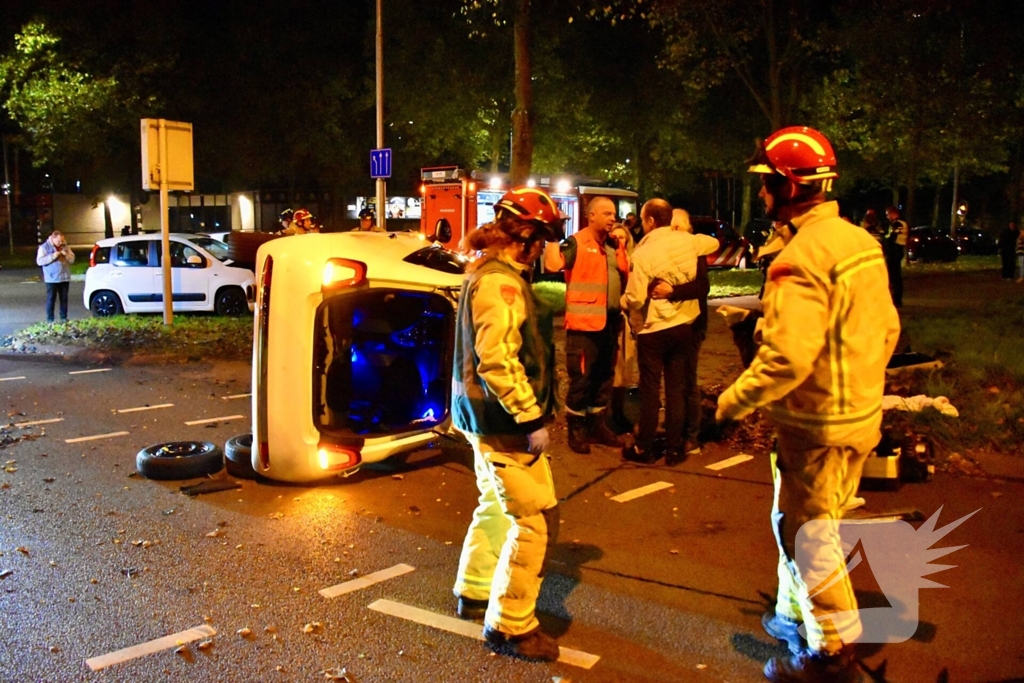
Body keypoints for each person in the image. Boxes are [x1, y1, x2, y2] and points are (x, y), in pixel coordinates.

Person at [716, 126, 900, 682]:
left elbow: (786, 361)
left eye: (767, 184)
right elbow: (887, 328)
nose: (763, 195)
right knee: (818, 525)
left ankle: (829, 654)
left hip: (815, 426)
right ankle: (799, 616)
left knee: (807, 535)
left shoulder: (799, 258)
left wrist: (726, 405)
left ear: (786, 186)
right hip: (859, 418)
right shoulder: (860, 245)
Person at [450, 186, 563, 662]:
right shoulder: (502, 284)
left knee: (494, 507)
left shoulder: (486, 274)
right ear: (528, 238)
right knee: (535, 521)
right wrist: (530, 416)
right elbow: (497, 360)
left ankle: (474, 591)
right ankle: (510, 626)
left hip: (481, 417)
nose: (545, 251)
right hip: (503, 422)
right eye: (544, 240)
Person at [623, 199, 718, 465]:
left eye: (643, 220)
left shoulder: (642, 253)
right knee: (676, 389)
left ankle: (645, 447)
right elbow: (714, 244)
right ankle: (675, 449)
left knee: (651, 389)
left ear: (651, 221)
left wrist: (626, 303)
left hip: (654, 328)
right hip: (684, 325)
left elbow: (635, 296)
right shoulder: (689, 242)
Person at [543, 196, 629, 453]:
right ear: (591, 216)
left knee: (604, 379)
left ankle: (597, 426)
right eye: (606, 213)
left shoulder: (613, 245)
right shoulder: (576, 243)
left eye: (613, 213)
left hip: (610, 324)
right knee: (581, 380)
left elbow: (623, 275)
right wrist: (551, 235)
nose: (612, 218)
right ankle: (577, 430)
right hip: (584, 327)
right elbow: (551, 264)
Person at [608, 222, 638, 434]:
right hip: (613, 316)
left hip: (629, 317)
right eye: (615, 237)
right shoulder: (609, 260)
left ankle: (620, 412)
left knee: (626, 367)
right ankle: (611, 414)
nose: (619, 240)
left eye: (622, 237)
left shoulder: (634, 260)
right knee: (613, 366)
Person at [36, 230, 76, 323]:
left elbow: (72, 260)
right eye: (59, 241)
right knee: (51, 299)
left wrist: (67, 255)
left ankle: (63, 318)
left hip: (64, 277)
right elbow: (40, 261)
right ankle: (50, 319)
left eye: (62, 240)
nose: (61, 243)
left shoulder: (65, 246)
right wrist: (53, 256)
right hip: (52, 279)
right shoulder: (44, 247)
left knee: (64, 299)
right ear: (53, 239)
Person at [884, 205, 908, 308]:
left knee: (894, 277)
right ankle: (897, 298)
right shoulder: (903, 223)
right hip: (898, 251)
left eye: (888, 215)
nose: (887, 217)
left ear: (893, 213)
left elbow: (891, 238)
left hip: (894, 252)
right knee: (896, 277)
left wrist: (884, 240)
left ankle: (896, 299)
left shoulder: (897, 224)